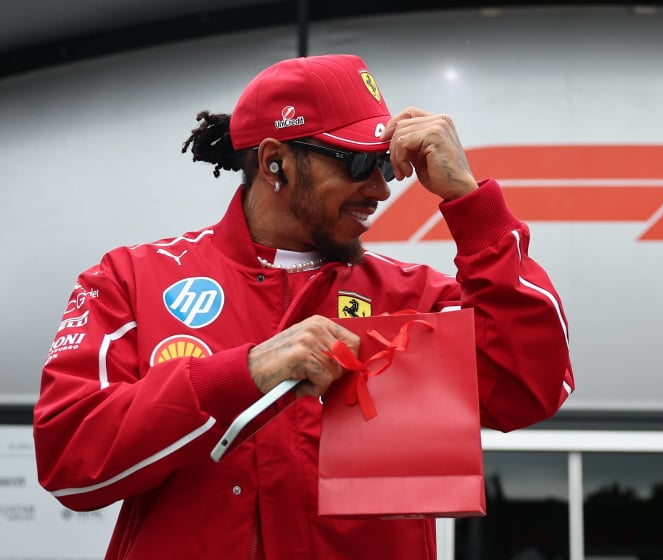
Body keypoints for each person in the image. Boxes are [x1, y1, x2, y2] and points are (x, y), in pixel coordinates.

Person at [33, 53, 574, 559]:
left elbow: (530, 385)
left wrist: (470, 204)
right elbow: (68, 461)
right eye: (359, 166)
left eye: (385, 165)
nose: (381, 191)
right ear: (275, 162)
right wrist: (238, 375)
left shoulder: (415, 297)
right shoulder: (133, 278)